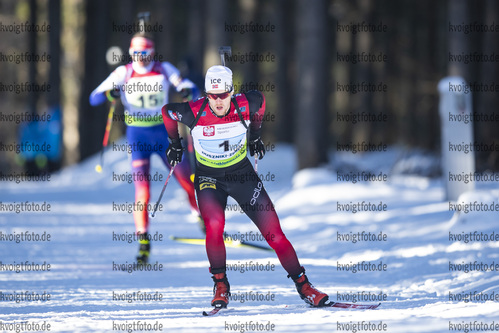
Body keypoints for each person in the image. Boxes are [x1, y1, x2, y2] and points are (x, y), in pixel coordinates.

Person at [161, 65, 329, 308]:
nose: (217, 102)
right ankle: (221, 285)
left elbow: (260, 101)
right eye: (212, 96)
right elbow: (167, 112)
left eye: (223, 95)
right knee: (215, 226)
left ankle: (304, 285)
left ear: (231, 91)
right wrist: (175, 144)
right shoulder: (194, 111)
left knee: (274, 234)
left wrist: (255, 135)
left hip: (242, 175)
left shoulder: (245, 104)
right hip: (209, 178)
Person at [89, 33, 202, 263]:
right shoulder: (124, 72)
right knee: (142, 191)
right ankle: (143, 241)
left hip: (164, 132)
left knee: (186, 178)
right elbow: (94, 98)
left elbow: (189, 87)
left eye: (145, 53)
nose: (140, 58)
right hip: (138, 137)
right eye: (135, 54)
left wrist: (188, 91)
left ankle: (200, 216)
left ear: (152, 53)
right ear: (131, 53)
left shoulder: (164, 68)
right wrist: (109, 92)